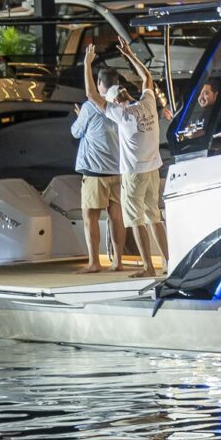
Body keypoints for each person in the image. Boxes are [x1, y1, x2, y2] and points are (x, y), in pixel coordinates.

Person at [85, 39, 163, 276]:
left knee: (136, 219)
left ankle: (149, 267)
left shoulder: (123, 115)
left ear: (116, 100)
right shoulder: (148, 104)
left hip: (134, 173)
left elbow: (90, 94)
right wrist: (130, 54)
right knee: (155, 218)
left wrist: (87, 64)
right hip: (154, 170)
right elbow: (147, 78)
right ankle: (169, 261)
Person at [72, 65, 125, 273]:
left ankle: (94, 262)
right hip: (118, 170)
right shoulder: (121, 105)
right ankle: (118, 261)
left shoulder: (89, 107)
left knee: (90, 217)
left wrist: (79, 116)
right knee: (117, 217)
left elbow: (76, 132)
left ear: (100, 84)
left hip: (95, 172)